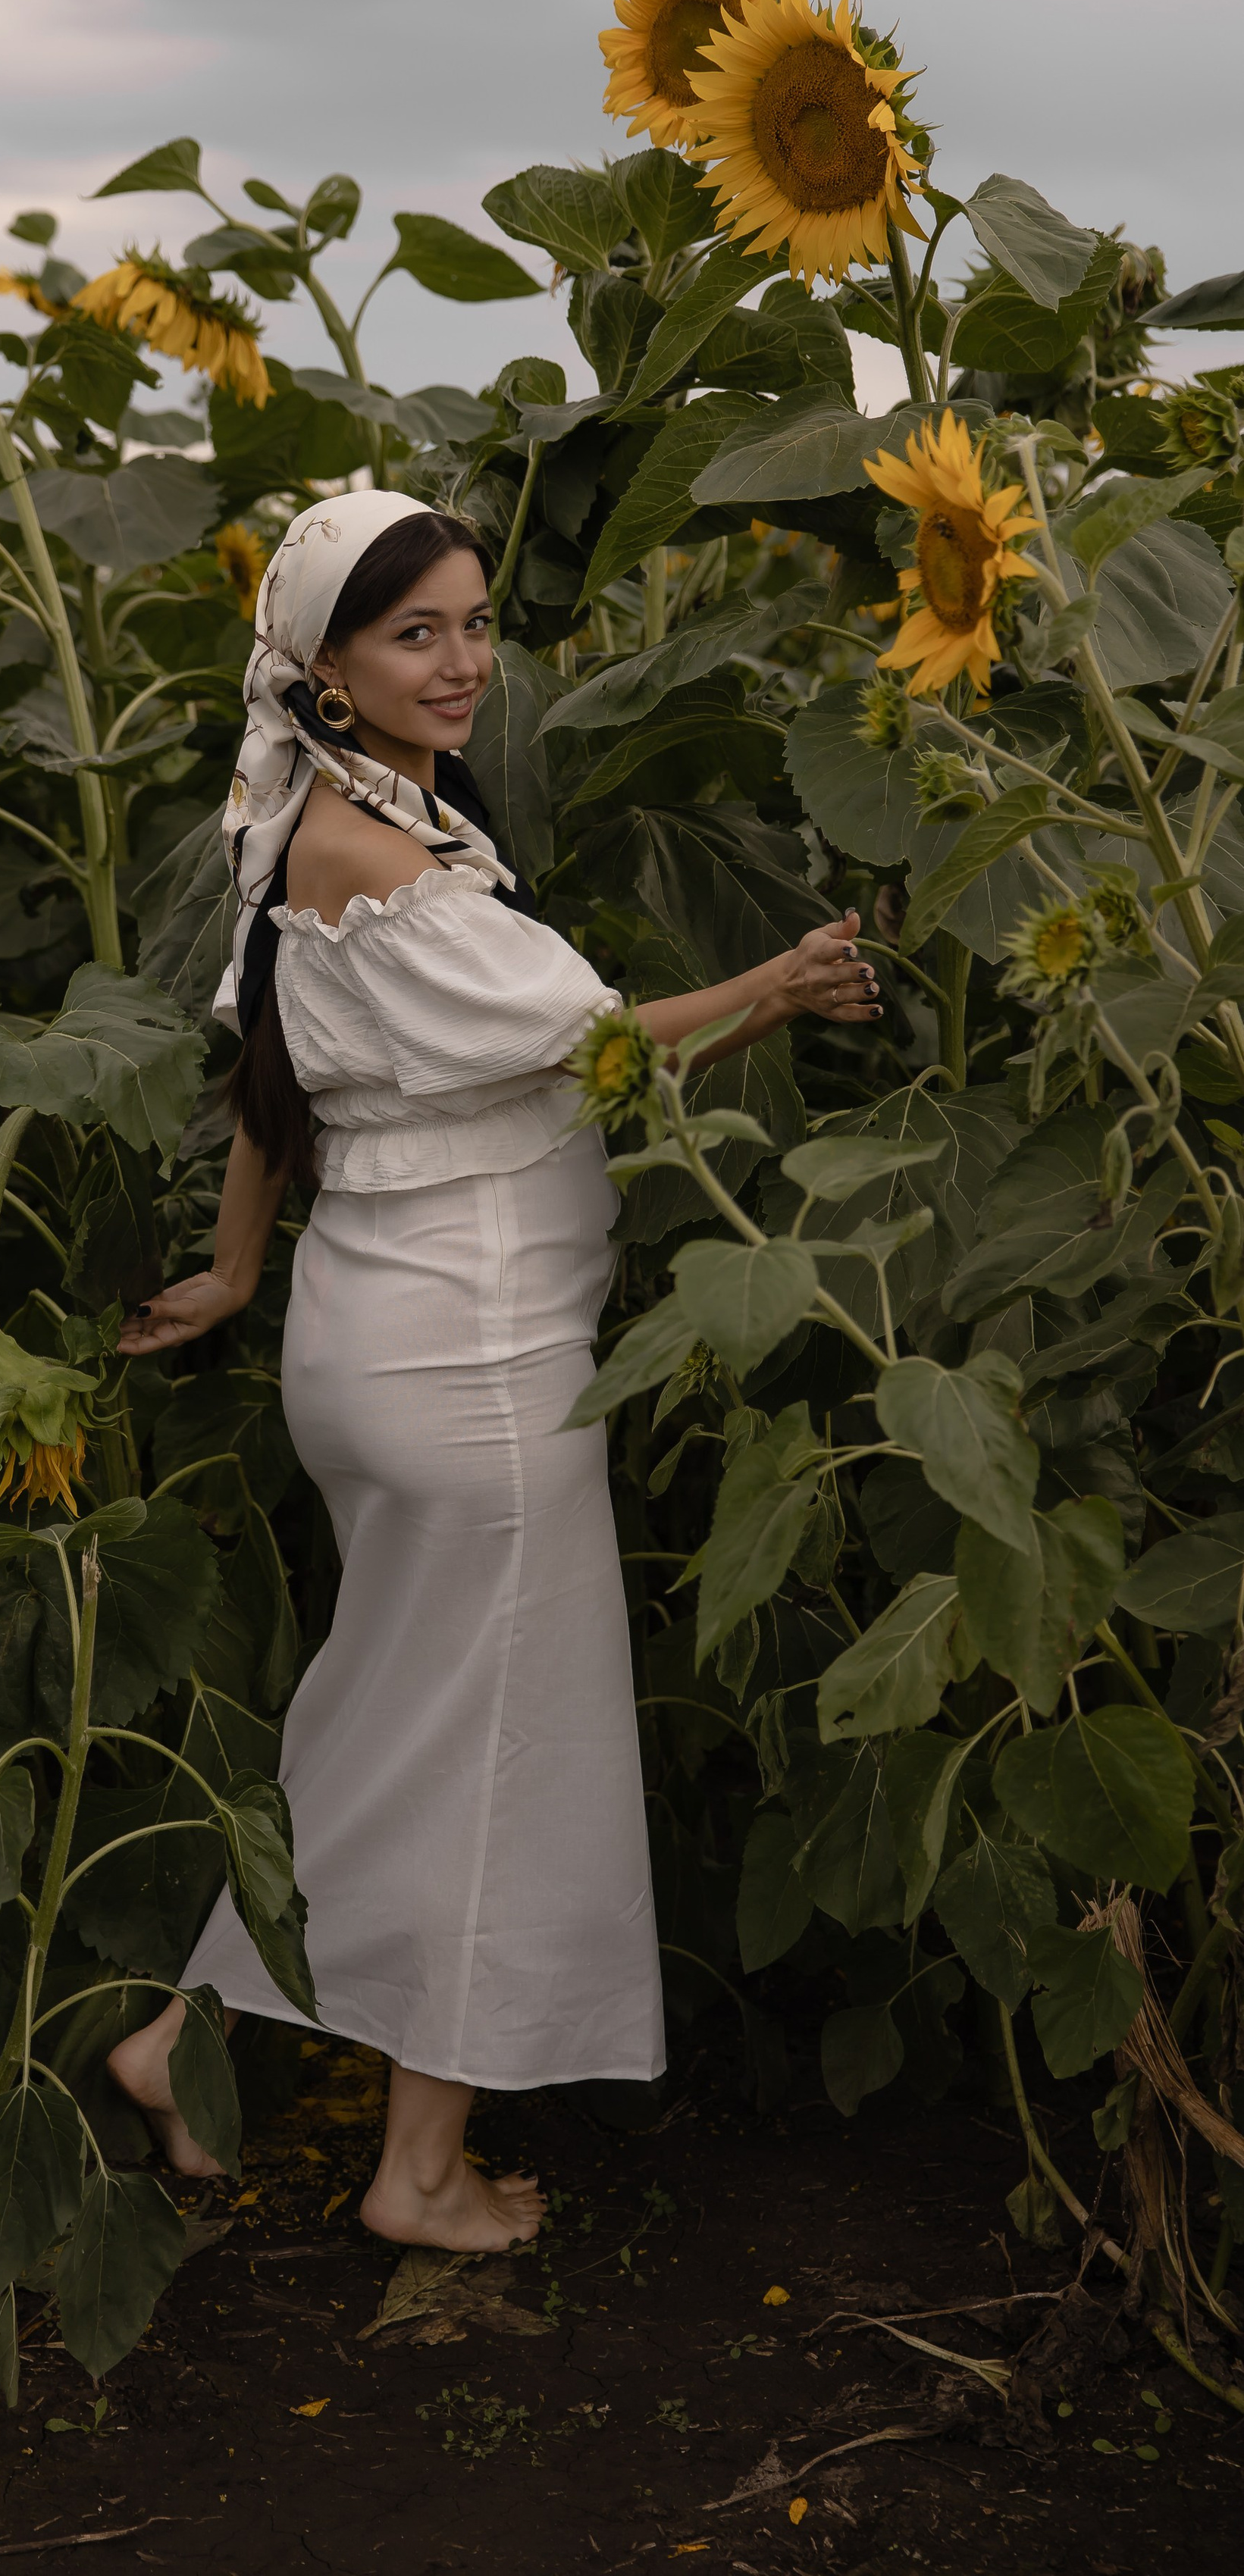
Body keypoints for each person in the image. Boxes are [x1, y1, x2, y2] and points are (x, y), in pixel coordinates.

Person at [109, 493, 879, 2252]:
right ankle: (419, 2173)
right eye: (413, 636)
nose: (459, 664)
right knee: (495, 1750)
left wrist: (235, 1268)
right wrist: (765, 971)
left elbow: (295, 1076)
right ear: (320, 662)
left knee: (387, 1726)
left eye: (471, 625)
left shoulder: (336, 814)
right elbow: (587, 1045)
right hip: (468, 1358)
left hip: (381, 1334)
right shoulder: (365, 853)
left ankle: (181, 2045)